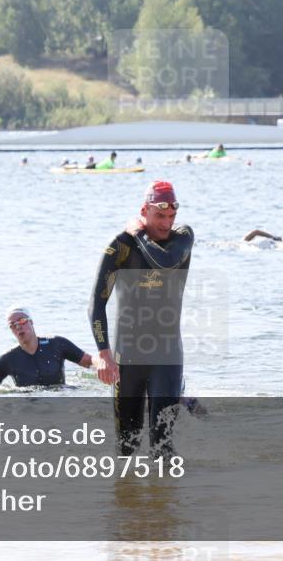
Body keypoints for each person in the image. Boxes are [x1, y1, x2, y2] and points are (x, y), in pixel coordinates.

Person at [89, 180, 194, 457]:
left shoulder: (182, 238)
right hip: (128, 358)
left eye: (171, 216)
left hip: (167, 357)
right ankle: (127, 498)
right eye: (159, 215)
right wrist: (104, 354)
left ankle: (164, 500)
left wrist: (138, 234)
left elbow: (165, 261)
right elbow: (96, 304)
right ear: (144, 210)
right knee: (126, 448)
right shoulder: (120, 247)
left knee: (163, 448)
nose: (166, 224)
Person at [0, 306, 93, 387]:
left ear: (31, 321)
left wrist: (104, 363)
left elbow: (90, 361)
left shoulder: (57, 344)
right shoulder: (8, 359)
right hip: (28, 408)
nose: (18, 326)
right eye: (13, 325)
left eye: (22, 321)